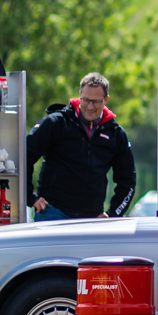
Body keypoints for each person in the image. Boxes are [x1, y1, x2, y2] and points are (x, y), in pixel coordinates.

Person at [26, 72, 136, 220]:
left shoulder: (115, 134)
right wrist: (29, 197)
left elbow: (128, 180)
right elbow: (24, 155)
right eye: (86, 100)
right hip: (52, 212)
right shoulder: (57, 123)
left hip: (92, 219)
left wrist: (113, 214)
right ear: (79, 95)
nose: (90, 106)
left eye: (96, 102)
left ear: (106, 100)